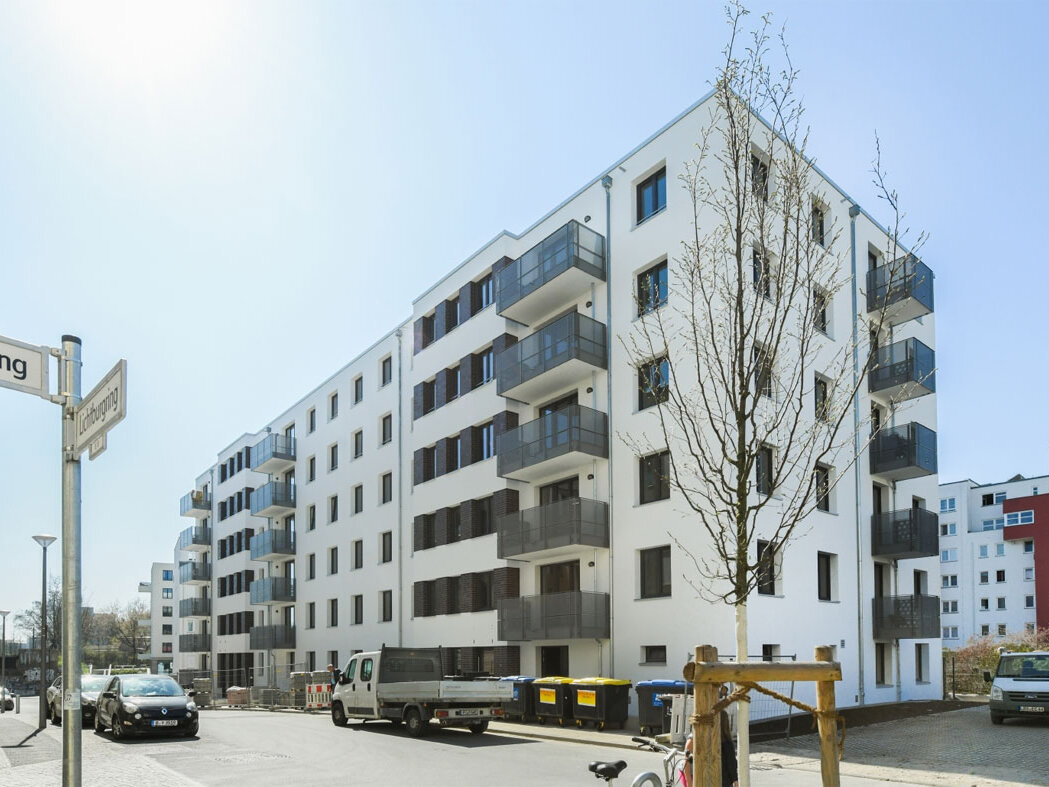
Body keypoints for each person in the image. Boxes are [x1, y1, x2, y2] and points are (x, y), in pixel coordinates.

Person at [681, 710, 738, 787]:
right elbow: (686, 763)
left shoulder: (724, 743)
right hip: (699, 777)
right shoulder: (696, 738)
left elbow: (731, 764)